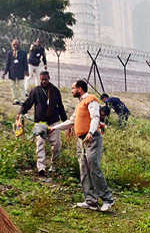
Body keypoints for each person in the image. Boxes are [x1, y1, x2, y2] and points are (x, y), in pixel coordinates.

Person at [50, 80, 114, 211]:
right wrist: (54, 128)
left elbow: (95, 117)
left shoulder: (91, 100)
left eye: (73, 88)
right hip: (81, 140)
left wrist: (91, 132)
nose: (72, 90)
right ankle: (90, 200)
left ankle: (108, 199)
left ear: (80, 89)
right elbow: (71, 121)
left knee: (94, 168)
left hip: (92, 138)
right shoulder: (80, 104)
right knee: (84, 170)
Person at [18, 71, 67, 176]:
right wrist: (21, 113)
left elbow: (61, 106)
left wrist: (65, 121)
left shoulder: (55, 91)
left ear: (49, 78)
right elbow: (28, 103)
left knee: (57, 145)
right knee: (40, 145)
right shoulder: (35, 90)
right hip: (40, 122)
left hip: (54, 122)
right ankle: (41, 168)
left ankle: (54, 165)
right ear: (40, 79)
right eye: (42, 80)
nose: (44, 81)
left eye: (45, 79)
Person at [2, 38, 28, 105]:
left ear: (19, 44)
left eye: (16, 44)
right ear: (12, 45)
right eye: (14, 44)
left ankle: (22, 100)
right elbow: (8, 63)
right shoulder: (10, 53)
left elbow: (25, 63)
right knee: (13, 86)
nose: (15, 45)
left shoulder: (23, 53)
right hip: (12, 72)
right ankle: (15, 99)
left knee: (21, 86)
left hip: (20, 72)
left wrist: (26, 71)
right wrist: (5, 72)